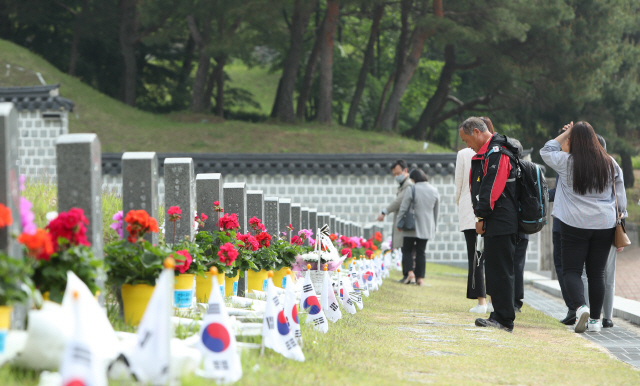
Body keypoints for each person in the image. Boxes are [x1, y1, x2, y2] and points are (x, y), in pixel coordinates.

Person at [540, 121, 627, 333]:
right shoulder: (610, 163)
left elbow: (546, 149)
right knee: (597, 273)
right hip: (604, 223)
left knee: (572, 270)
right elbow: (621, 198)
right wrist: (620, 219)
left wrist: (568, 131)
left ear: (574, 140)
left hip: (574, 223)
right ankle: (596, 321)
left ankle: (581, 308)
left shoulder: (565, 161)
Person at [459, 116, 520, 332]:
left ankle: (504, 319)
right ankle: (498, 315)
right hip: (496, 219)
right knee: (494, 269)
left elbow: (492, 187)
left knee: (501, 270)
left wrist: (481, 216)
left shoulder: (497, 152)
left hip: (501, 219)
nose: (467, 146)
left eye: (467, 141)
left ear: (476, 132)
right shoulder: (489, 152)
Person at [580, 134, 620, 328]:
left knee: (588, 273)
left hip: (586, 225)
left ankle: (590, 312)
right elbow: (620, 198)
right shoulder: (612, 166)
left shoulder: (583, 168)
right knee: (606, 273)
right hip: (609, 225)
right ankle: (607, 316)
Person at [455, 143, 488, 313]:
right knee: (490, 258)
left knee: (475, 256)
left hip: (470, 211)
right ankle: (492, 300)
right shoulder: (494, 150)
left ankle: (481, 302)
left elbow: (459, 184)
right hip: (491, 210)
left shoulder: (463, 154)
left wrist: (459, 202)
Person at [396, 169, 440, 286]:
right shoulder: (434, 190)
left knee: (407, 250)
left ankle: (410, 273)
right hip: (426, 227)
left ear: (414, 179)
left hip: (411, 226)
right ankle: (420, 279)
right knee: (421, 252)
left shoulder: (412, 188)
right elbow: (436, 211)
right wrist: (434, 226)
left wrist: (399, 222)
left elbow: (403, 207)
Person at [377, 159, 414, 282]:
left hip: (406, 222)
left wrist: (385, 211)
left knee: (406, 249)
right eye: (394, 174)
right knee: (404, 249)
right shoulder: (404, 185)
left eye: (398, 173)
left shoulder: (408, 184)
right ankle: (407, 274)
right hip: (404, 221)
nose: (396, 176)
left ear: (405, 170)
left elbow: (399, 201)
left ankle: (408, 275)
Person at [507, 138, 529, 313]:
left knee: (506, 262)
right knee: (518, 263)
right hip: (524, 224)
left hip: (508, 222)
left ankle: (509, 299)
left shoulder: (507, 168)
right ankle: (516, 301)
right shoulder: (528, 169)